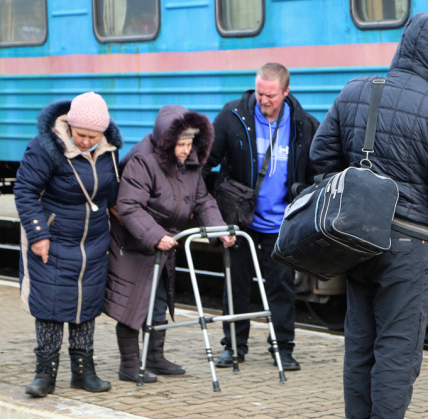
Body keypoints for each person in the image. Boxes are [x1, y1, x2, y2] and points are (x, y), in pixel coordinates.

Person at [311, 12, 428, 419]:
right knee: (398, 350)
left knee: (360, 344)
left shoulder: (355, 91)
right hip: (407, 242)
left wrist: (356, 201)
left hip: (357, 239)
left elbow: (321, 158)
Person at [105, 106, 235, 383]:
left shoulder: (190, 163)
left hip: (164, 243)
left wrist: (220, 230)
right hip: (137, 243)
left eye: (190, 144)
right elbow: (128, 206)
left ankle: (154, 356)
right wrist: (154, 235)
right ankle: (129, 365)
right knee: (132, 303)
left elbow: (202, 200)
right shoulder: (143, 160)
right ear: (167, 140)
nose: (187, 150)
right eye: (182, 144)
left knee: (158, 301)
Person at [206, 63, 320, 371]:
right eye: (259, 92)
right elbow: (208, 161)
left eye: (270, 95)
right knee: (236, 283)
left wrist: (302, 194)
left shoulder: (303, 124)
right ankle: (233, 347)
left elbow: (316, 173)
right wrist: (209, 207)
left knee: (281, 285)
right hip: (239, 220)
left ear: (285, 92)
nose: (263, 100)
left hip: (280, 222)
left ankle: (282, 348)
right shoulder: (233, 117)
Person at [16, 92, 122, 397]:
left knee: (86, 304)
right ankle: (45, 375)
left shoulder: (108, 149)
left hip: (93, 240)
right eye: (81, 134)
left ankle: (83, 372)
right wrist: (39, 235)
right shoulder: (45, 147)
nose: (87, 141)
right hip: (55, 237)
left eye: (93, 136)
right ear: (69, 126)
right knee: (50, 305)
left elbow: (111, 193)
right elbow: (24, 190)